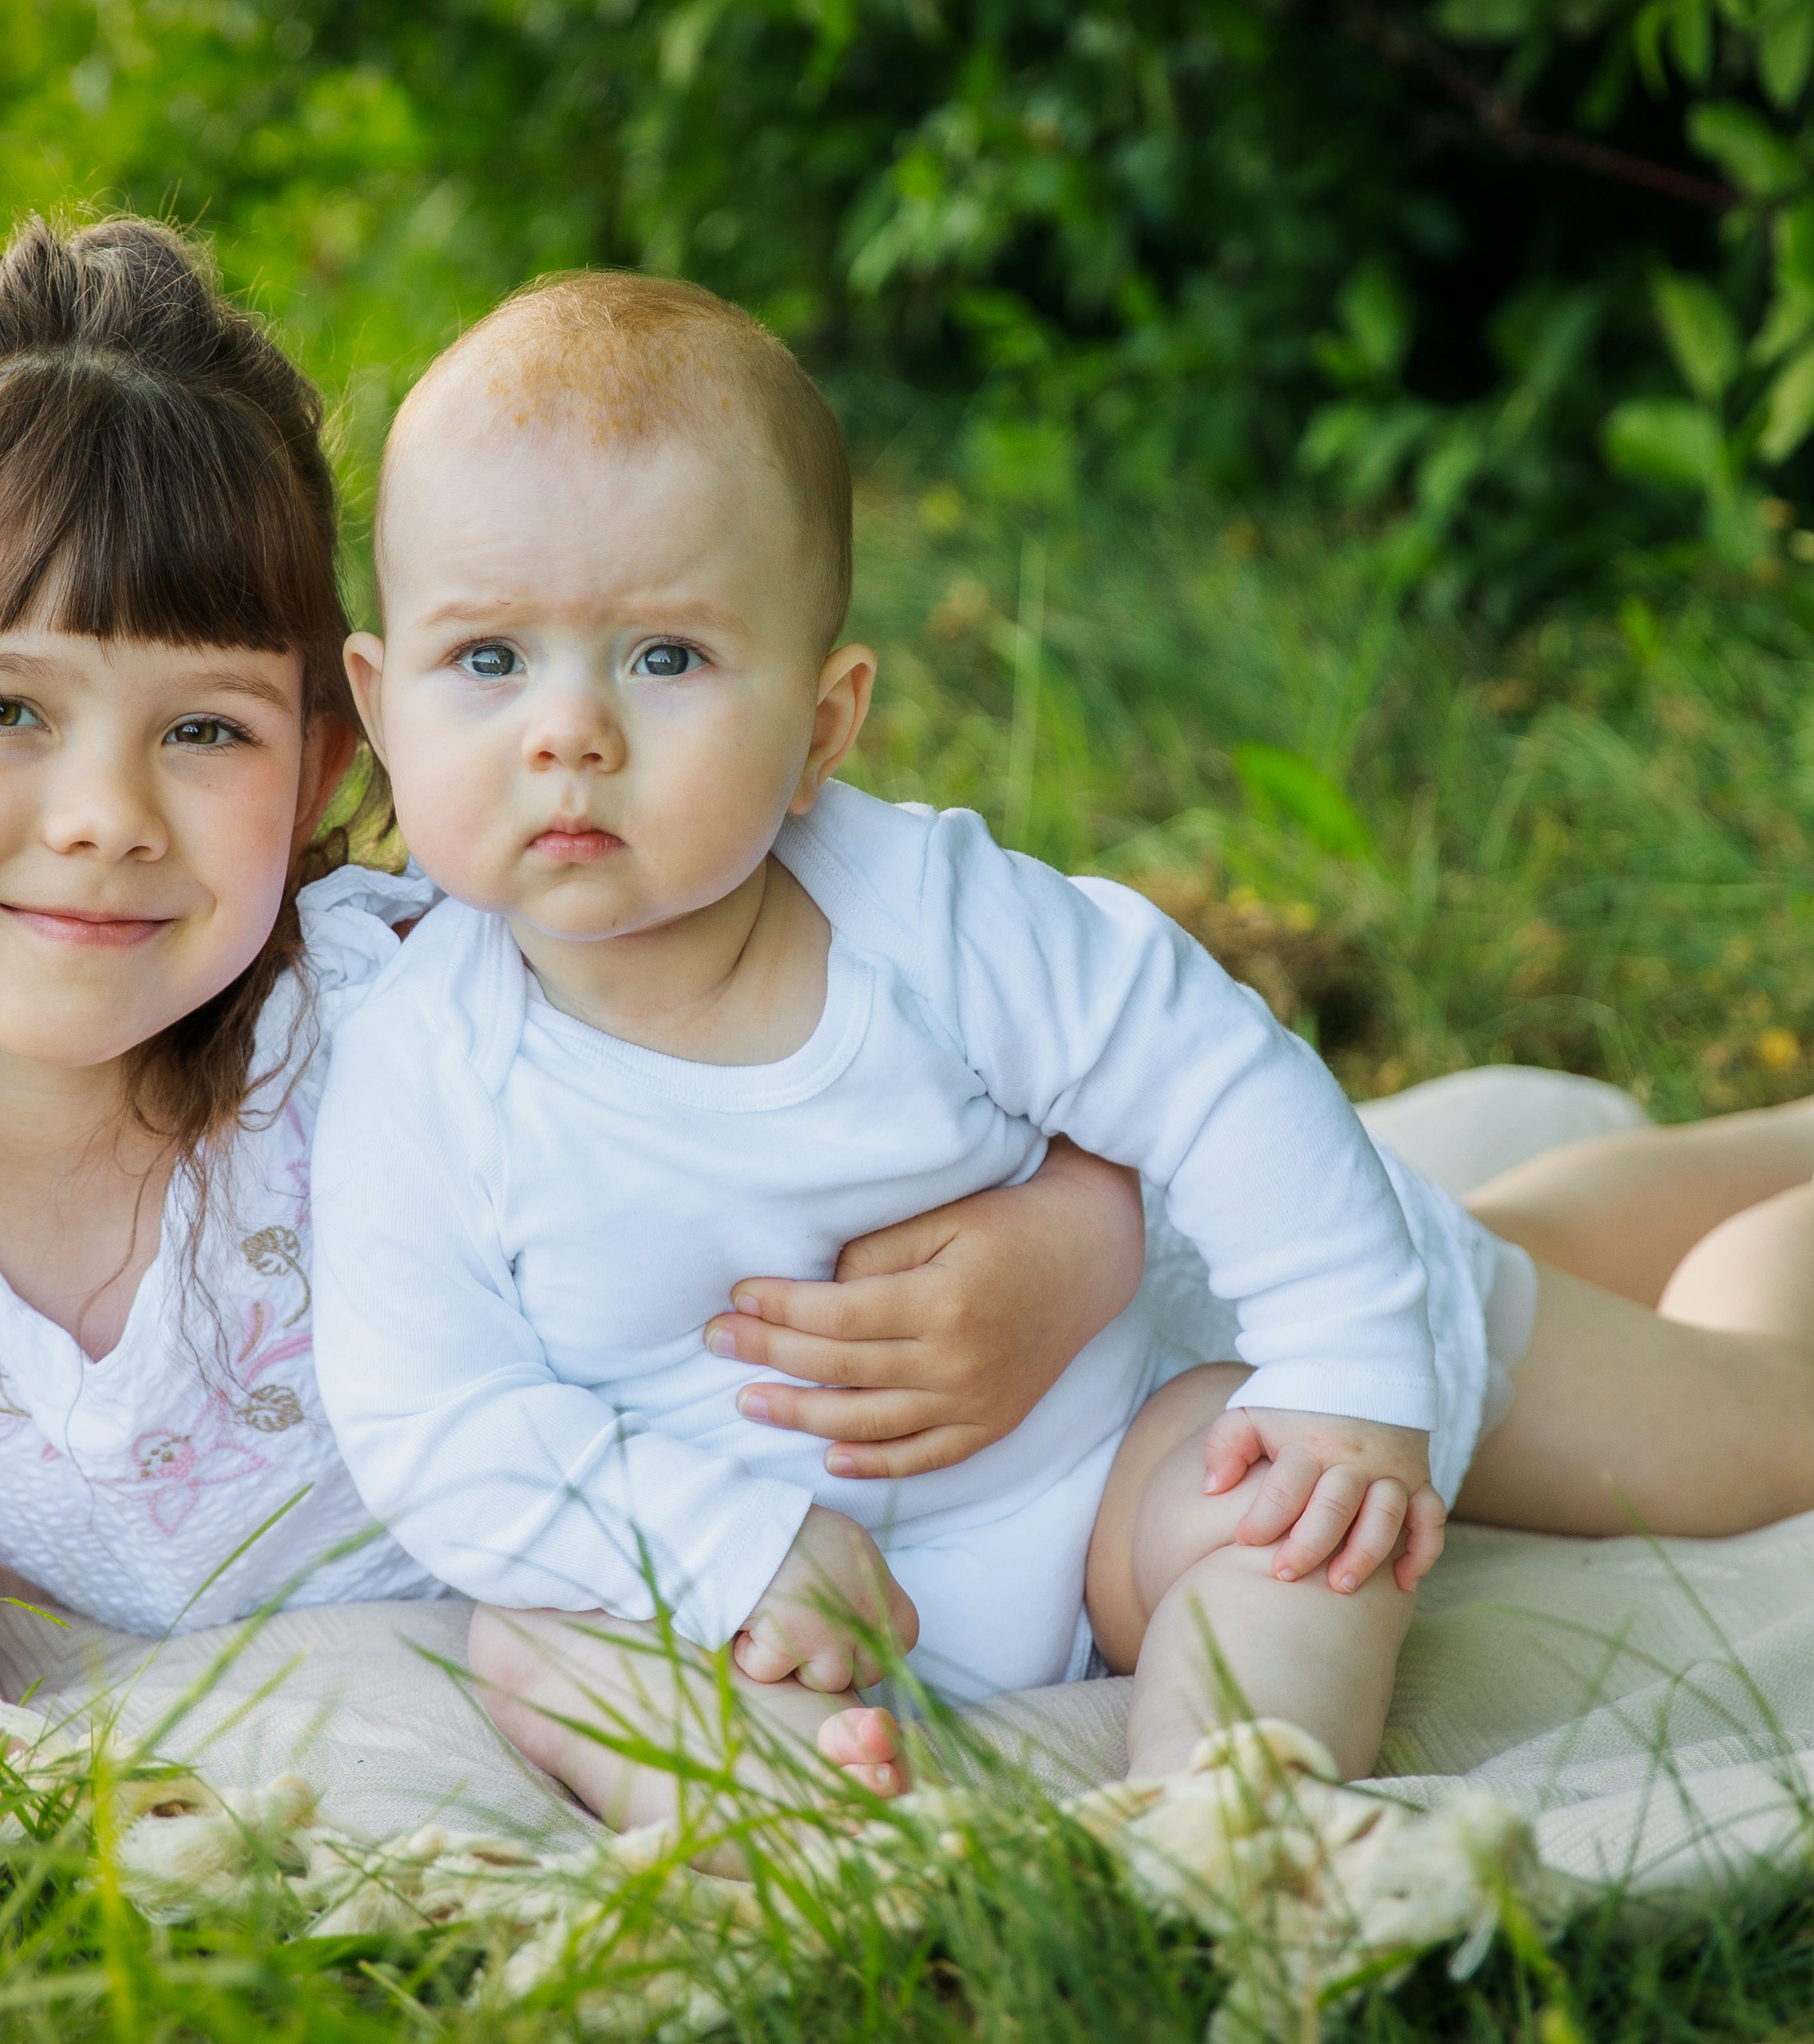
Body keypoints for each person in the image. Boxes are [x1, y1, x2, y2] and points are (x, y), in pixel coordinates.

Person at [0, 218, 1150, 1753]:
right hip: (650, 1636)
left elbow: (1011, 1037)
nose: (107, 815)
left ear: (322, 769)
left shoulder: (433, 1009)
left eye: (207, 730)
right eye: (0, 706)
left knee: (1434, 1358)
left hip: (1041, 1400)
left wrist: (1084, 1236)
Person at [309, 269, 1527, 1819]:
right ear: (380, 702)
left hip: (1084, 1483)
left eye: (663, 657)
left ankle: (1232, 1794)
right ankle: (805, 1833)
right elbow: (433, 1415)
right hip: (740, 1596)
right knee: (535, 1639)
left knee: (1284, 1509)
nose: (568, 731)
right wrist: (722, 1543)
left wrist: (1344, 1363)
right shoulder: (425, 1068)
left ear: (822, 726)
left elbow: (1209, 1070)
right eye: (487, 659)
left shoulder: (927, 919)